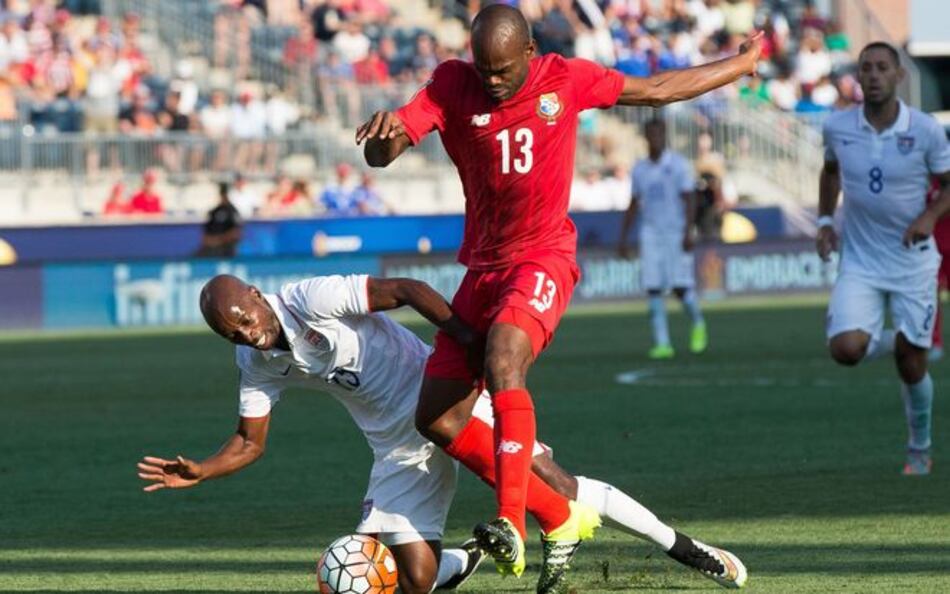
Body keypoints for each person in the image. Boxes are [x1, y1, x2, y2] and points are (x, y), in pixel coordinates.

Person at [354, 3, 761, 580]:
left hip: (543, 258)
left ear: (528, 54)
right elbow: (386, 149)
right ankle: (555, 515)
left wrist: (740, 64)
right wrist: (381, 138)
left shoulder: (564, 78)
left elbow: (660, 88)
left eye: (502, 70)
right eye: (483, 69)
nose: (492, 82)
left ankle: (509, 524)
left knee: (503, 357)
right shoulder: (451, 82)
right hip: (483, 272)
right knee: (437, 418)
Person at [136, 274, 748, 594]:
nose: (245, 335)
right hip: (396, 447)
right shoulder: (256, 361)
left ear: (253, 295)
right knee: (413, 581)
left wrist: (464, 340)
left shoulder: (308, 297)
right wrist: (203, 470)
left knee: (559, 488)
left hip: (448, 403)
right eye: (232, 335)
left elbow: (406, 291)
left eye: (243, 320)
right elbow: (249, 441)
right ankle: (471, 557)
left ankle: (688, 550)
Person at [817, 42, 950, 477]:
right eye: (865, 68)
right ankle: (906, 338)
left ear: (899, 76)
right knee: (845, 350)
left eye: (881, 68)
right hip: (860, 261)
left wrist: (930, 216)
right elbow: (831, 170)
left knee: (913, 365)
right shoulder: (838, 126)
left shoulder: (926, 130)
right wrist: (823, 220)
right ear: (857, 77)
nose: (872, 75)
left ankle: (919, 448)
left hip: (912, 262)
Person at [618, 119, 707, 359]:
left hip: (675, 231)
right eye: (651, 134)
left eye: (659, 134)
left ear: (664, 135)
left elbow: (689, 199)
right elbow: (634, 203)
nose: (655, 138)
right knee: (654, 289)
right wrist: (624, 238)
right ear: (646, 137)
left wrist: (690, 230)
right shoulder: (639, 169)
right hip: (650, 233)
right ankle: (663, 344)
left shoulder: (677, 165)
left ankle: (698, 322)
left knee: (680, 287)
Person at [196, 182, 243, 258]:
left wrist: (218, 240)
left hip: (226, 248)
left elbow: (237, 233)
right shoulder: (214, 212)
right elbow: (205, 234)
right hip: (210, 248)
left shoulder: (232, 211)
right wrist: (211, 241)